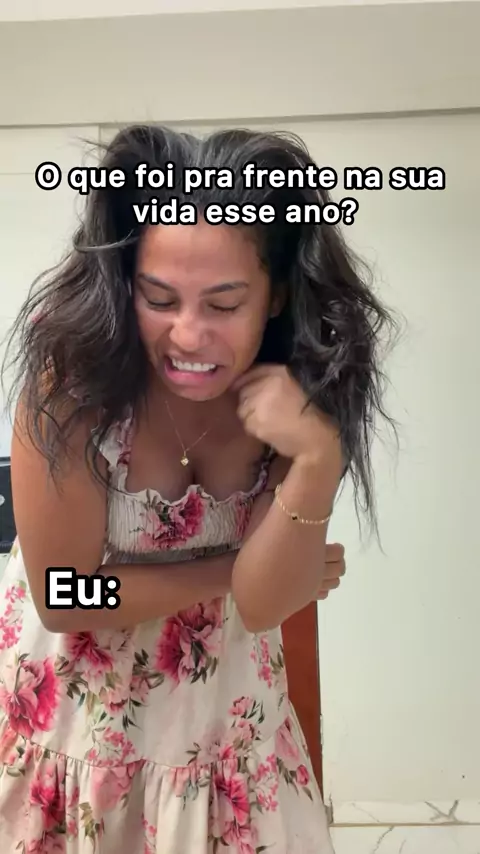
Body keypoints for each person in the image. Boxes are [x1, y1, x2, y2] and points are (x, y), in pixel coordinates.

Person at [0, 125, 394, 853]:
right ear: (127, 285)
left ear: (274, 297)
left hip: (225, 727)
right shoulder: (75, 380)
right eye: (159, 298)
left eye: (223, 304)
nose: (187, 335)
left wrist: (316, 457)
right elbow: (65, 598)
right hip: (77, 726)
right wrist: (232, 569)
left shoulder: (307, 388)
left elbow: (267, 604)